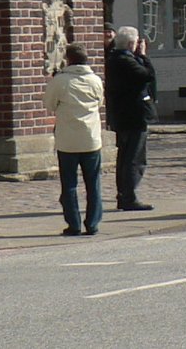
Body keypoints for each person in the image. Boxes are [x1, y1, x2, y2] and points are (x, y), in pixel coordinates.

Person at [43, 45, 104, 235]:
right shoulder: (95, 80)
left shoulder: (60, 81)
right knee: (93, 184)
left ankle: (74, 224)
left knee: (69, 184)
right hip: (91, 139)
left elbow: (49, 105)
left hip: (67, 140)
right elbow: (100, 101)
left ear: (67, 59)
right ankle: (93, 223)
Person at [104, 26, 156, 211]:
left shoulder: (112, 59)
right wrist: (144, 56)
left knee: (124, 157)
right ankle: (129, 196)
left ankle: (123, 194)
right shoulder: (127, 61)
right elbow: (148, 76)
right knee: (134, 158)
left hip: (122, 115)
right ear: (131, 43)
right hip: (134, 115)